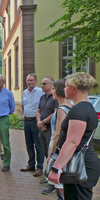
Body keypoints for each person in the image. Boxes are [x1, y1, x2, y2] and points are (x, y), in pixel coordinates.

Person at [48, 72, 100, 200]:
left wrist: (56, 168)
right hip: (81, 163)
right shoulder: (87, 107)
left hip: (80, 165)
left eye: (66, 86)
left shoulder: (79, 109)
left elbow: (72, 142)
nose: (64, 89)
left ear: (74, 89)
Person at [46, 78, 72, 200]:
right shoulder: (71, 106)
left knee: (59, 183)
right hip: (63, 146)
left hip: (57, 147)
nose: (52, 92)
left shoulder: (61, 110)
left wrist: (51, 153)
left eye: (54, 89)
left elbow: (58, 134)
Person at [37, 77, 59, 195]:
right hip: (42, 128)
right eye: (41, 83)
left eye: (44, 83)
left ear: (52, 85)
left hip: (50, 129)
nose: (42, 85)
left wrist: (43, 122)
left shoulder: (55, 98)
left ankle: (53, 183)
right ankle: (48, 176)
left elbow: (56, 113)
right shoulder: (42, 97)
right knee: (46, 153)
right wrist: (38, 122)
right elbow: (39, 111)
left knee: (52, 154)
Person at [20, 73, 44, 177]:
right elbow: (23, 104)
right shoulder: (25, 92)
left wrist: (41, 120)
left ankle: (40, 167)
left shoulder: (40, 92)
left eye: (31, 80)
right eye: (28, 80)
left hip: (36, 121)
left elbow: (43, 106)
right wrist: (23, 114)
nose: (29, 82)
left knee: (38, 145)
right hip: (27, 121)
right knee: (28, 144)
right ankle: (31, 164)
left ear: (36, 81)